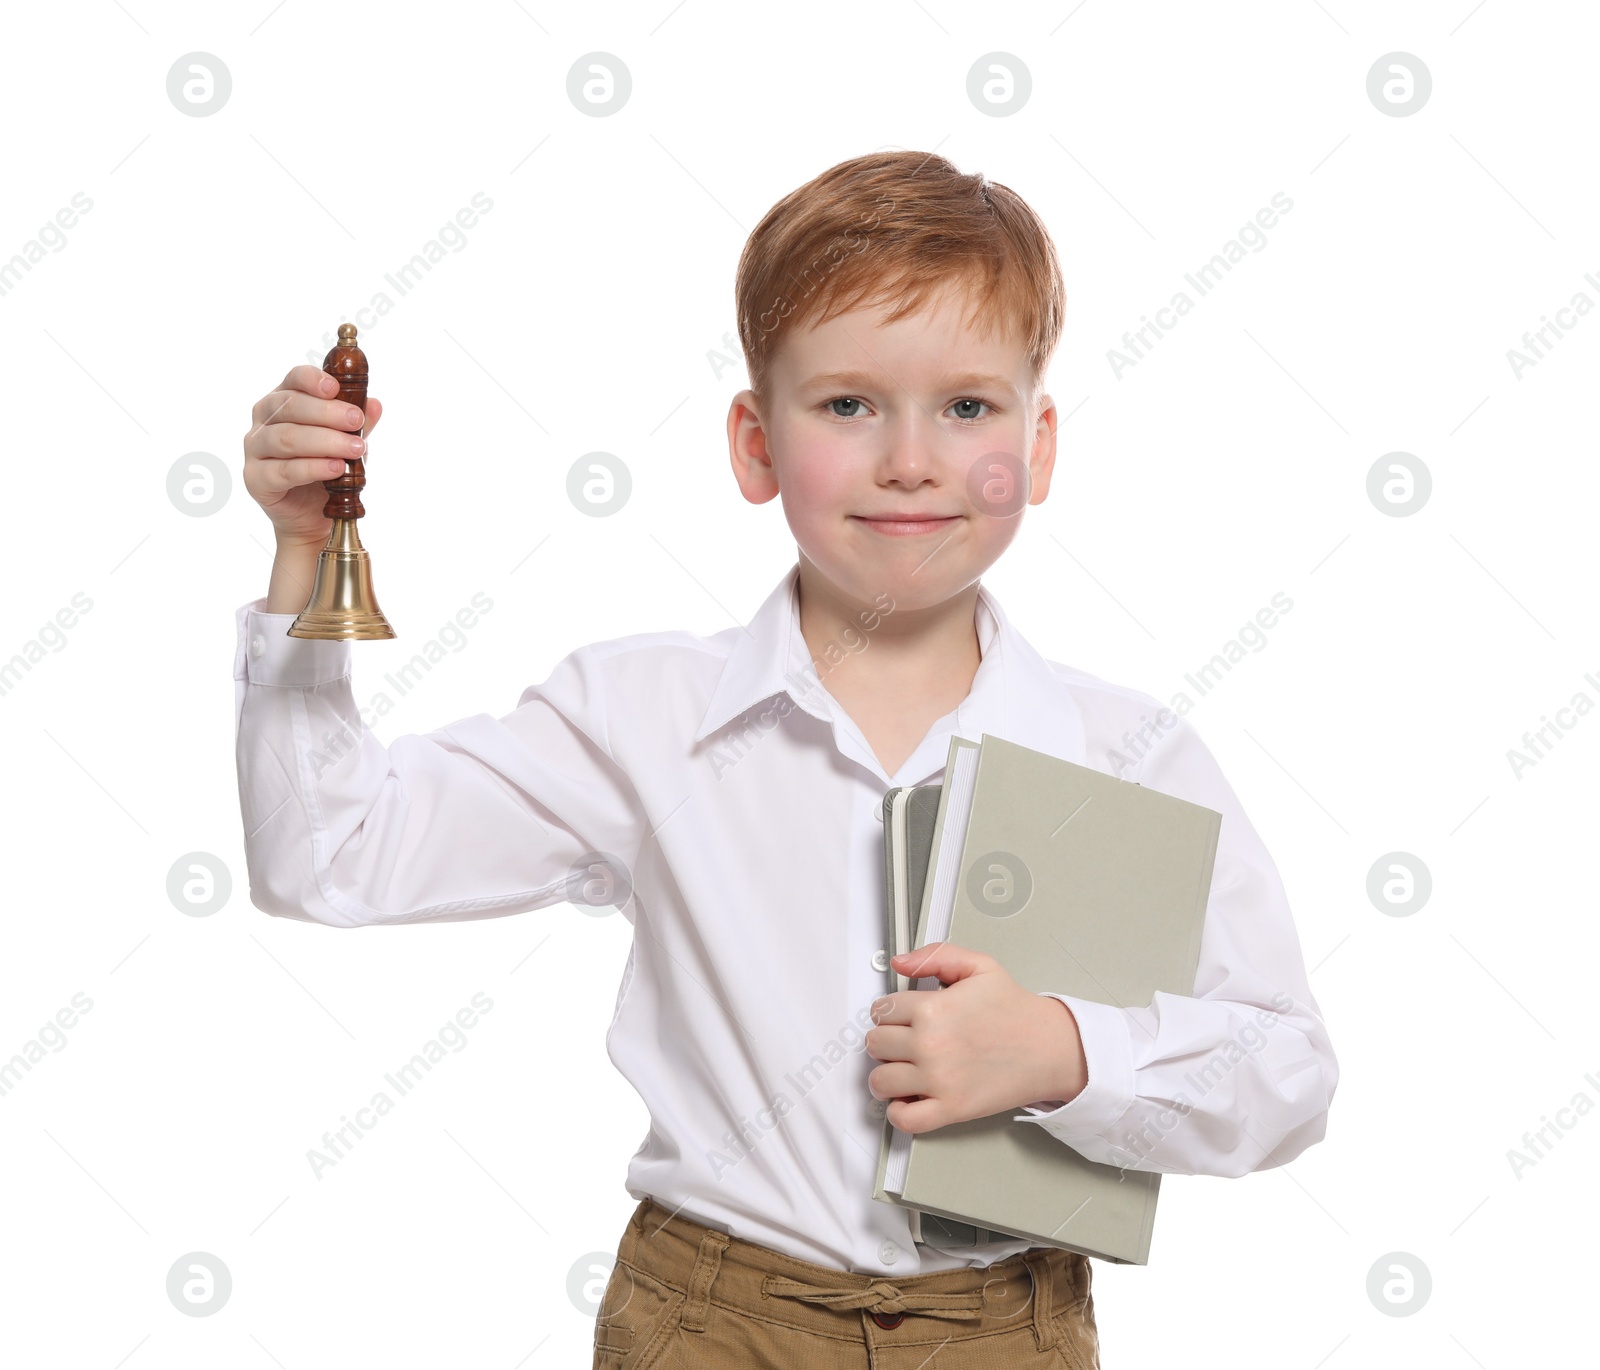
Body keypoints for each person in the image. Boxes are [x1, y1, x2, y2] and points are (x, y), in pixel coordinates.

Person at [236, 150, 1338, 1369]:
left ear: (1037, 446)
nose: (909, 458)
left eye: (967, 406)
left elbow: (1285, 1067)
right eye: (848, 404)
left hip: (1005, 1325)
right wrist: (302, 556)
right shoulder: (642, 713)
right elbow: (328, 853)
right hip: (713, 1320)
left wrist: (1066, 1051)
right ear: (755, 444)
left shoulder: (1130, 753)